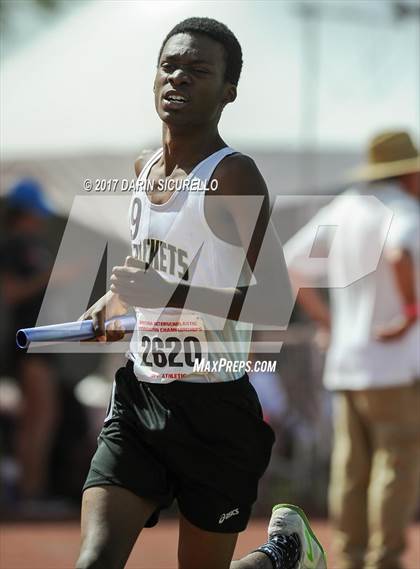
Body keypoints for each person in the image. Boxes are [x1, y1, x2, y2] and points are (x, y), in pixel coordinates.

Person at [76, 17, 326, 569]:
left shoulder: (233, 175)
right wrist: (115, 302)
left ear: (227, 92)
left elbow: (273, 302)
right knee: (94, 561)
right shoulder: (143, 168)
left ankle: (281, 557)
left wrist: (173, 293)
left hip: (215, 406)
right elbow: (152, 261)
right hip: (140, 398)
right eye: (169, 66)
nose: (179, 79)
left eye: (198, 70)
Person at [284, 130, 420, 569]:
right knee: (395, 465)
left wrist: (332, 323)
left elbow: (290, 265)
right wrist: (410, 312)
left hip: (346, 362)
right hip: (394, 365)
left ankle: (349, 557)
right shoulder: (404, 210)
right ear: (408, 172)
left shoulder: (342, 207)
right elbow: (401, 254)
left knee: (350, 468)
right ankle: (386, 559)